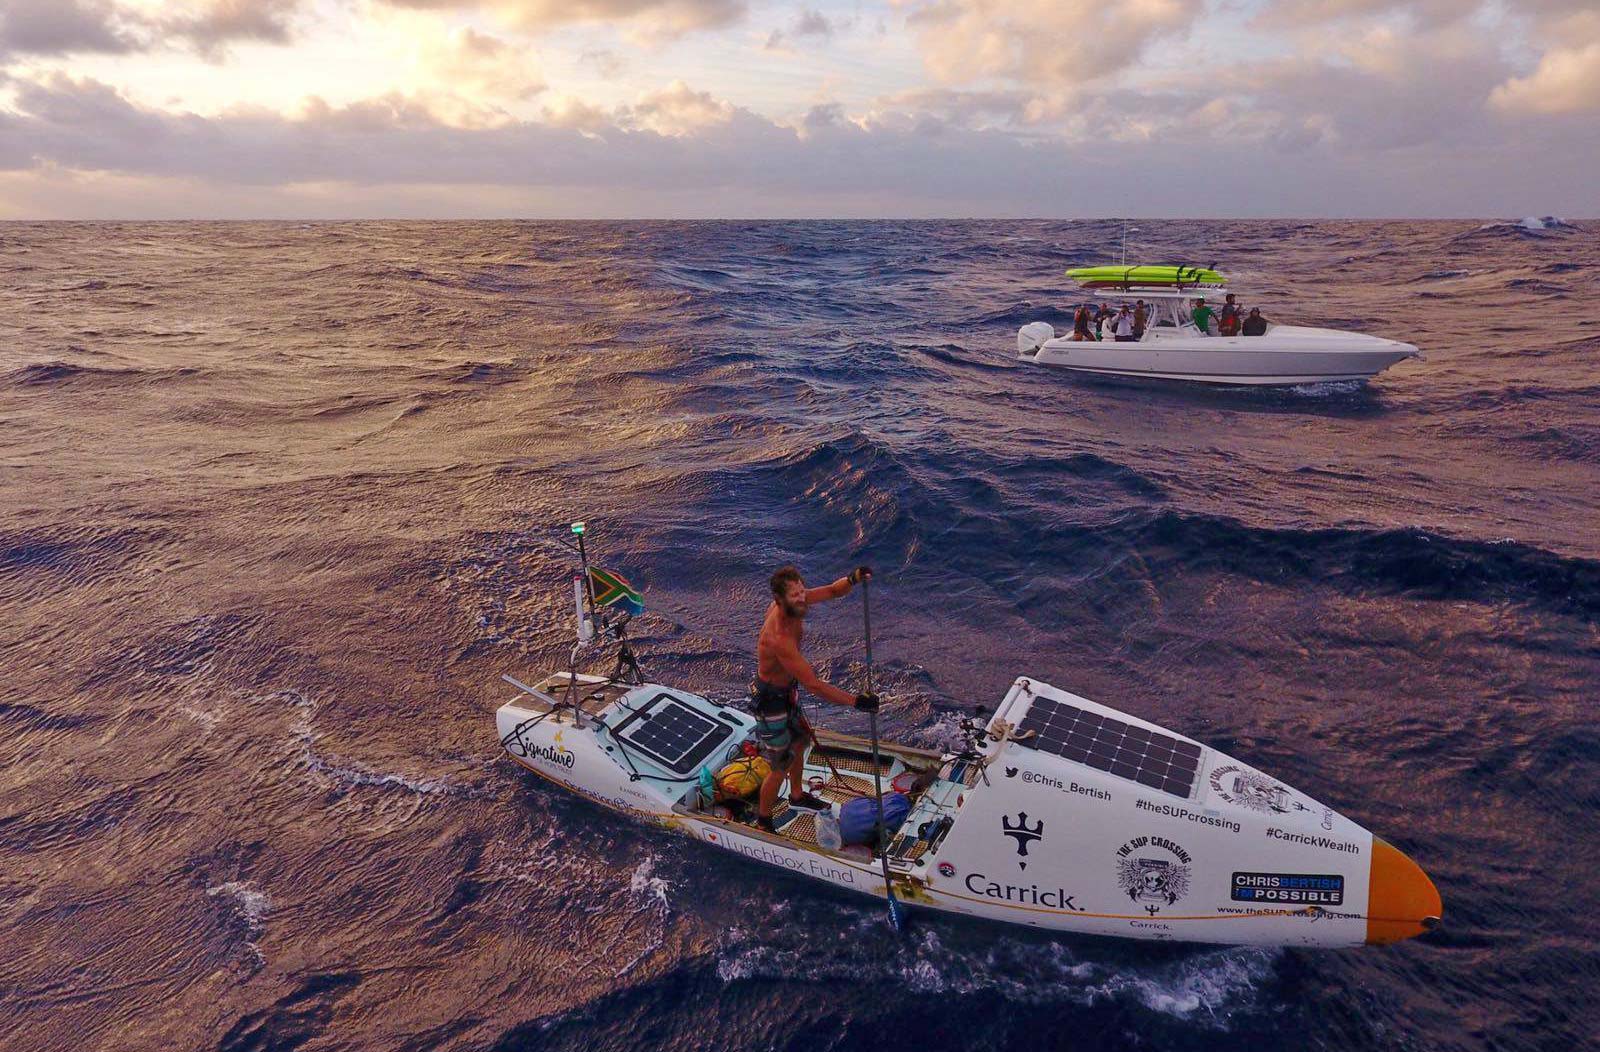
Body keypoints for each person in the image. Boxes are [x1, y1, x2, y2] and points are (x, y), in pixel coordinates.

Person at [751, 565, 879, 833]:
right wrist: (855, 701)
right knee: (780, 765)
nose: (802, 598)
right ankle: (763, 820)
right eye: (795, 595)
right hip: (771, 702)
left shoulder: (797, 601)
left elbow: (833, 590)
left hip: (786, 693)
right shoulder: (779, 637)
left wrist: (853, 578)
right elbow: (814, 685)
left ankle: (797, 796)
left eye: (801, 591)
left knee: (800, 741)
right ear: (779, 600)